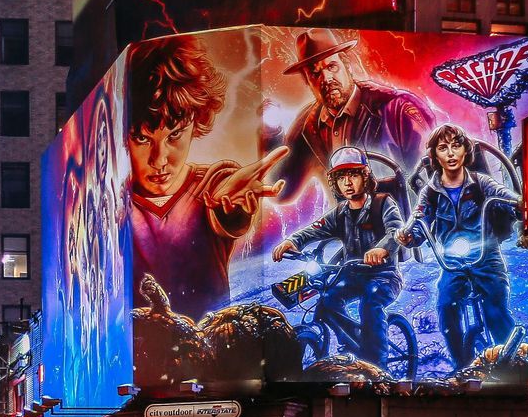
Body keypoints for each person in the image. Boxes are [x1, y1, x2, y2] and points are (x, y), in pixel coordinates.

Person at [125, 35, 285, 318]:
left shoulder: (211, 183)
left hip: (214, 349)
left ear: (195, 123)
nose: (159, 160)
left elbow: (226, 207)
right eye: (142, 138)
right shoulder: (110, 205)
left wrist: (232, 209)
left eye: (174, 135)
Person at [397, 124, 526, 371]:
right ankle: (461, 366)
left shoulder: (480, 183)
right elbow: (420, 217)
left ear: (465, 151)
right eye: (443, 148)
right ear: (435, 156)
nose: (451, 153)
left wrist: (517, 204)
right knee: (446, 306)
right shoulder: (431, 191)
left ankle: (512, 366)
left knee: (495, 307)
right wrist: (409, 235)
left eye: (456, 146)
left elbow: (503, 195)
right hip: (452, 262)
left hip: (486, 256)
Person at [272, 145, 406, 367]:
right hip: (352, 274)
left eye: (353, 174)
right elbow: (315, 229)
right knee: (328, 300)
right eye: (341, 177)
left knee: (371, 303)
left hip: (384, 275)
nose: (347, 182)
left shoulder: (383, 203)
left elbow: (396, 231)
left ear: (365, 177)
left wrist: (381, 249)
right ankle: (352, 343)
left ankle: (378, 367)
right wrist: (292, 241)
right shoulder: (340, 213)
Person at [273, 28, 430, 204]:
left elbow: (429, 180)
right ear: (307, 81)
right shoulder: (308, 126)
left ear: (346, 65)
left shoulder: (397, 109)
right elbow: (282, 189)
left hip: (399, 224)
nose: (326, 78)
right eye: (315, 73)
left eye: (332, 66)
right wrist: (271, 136)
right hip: (351, 227)